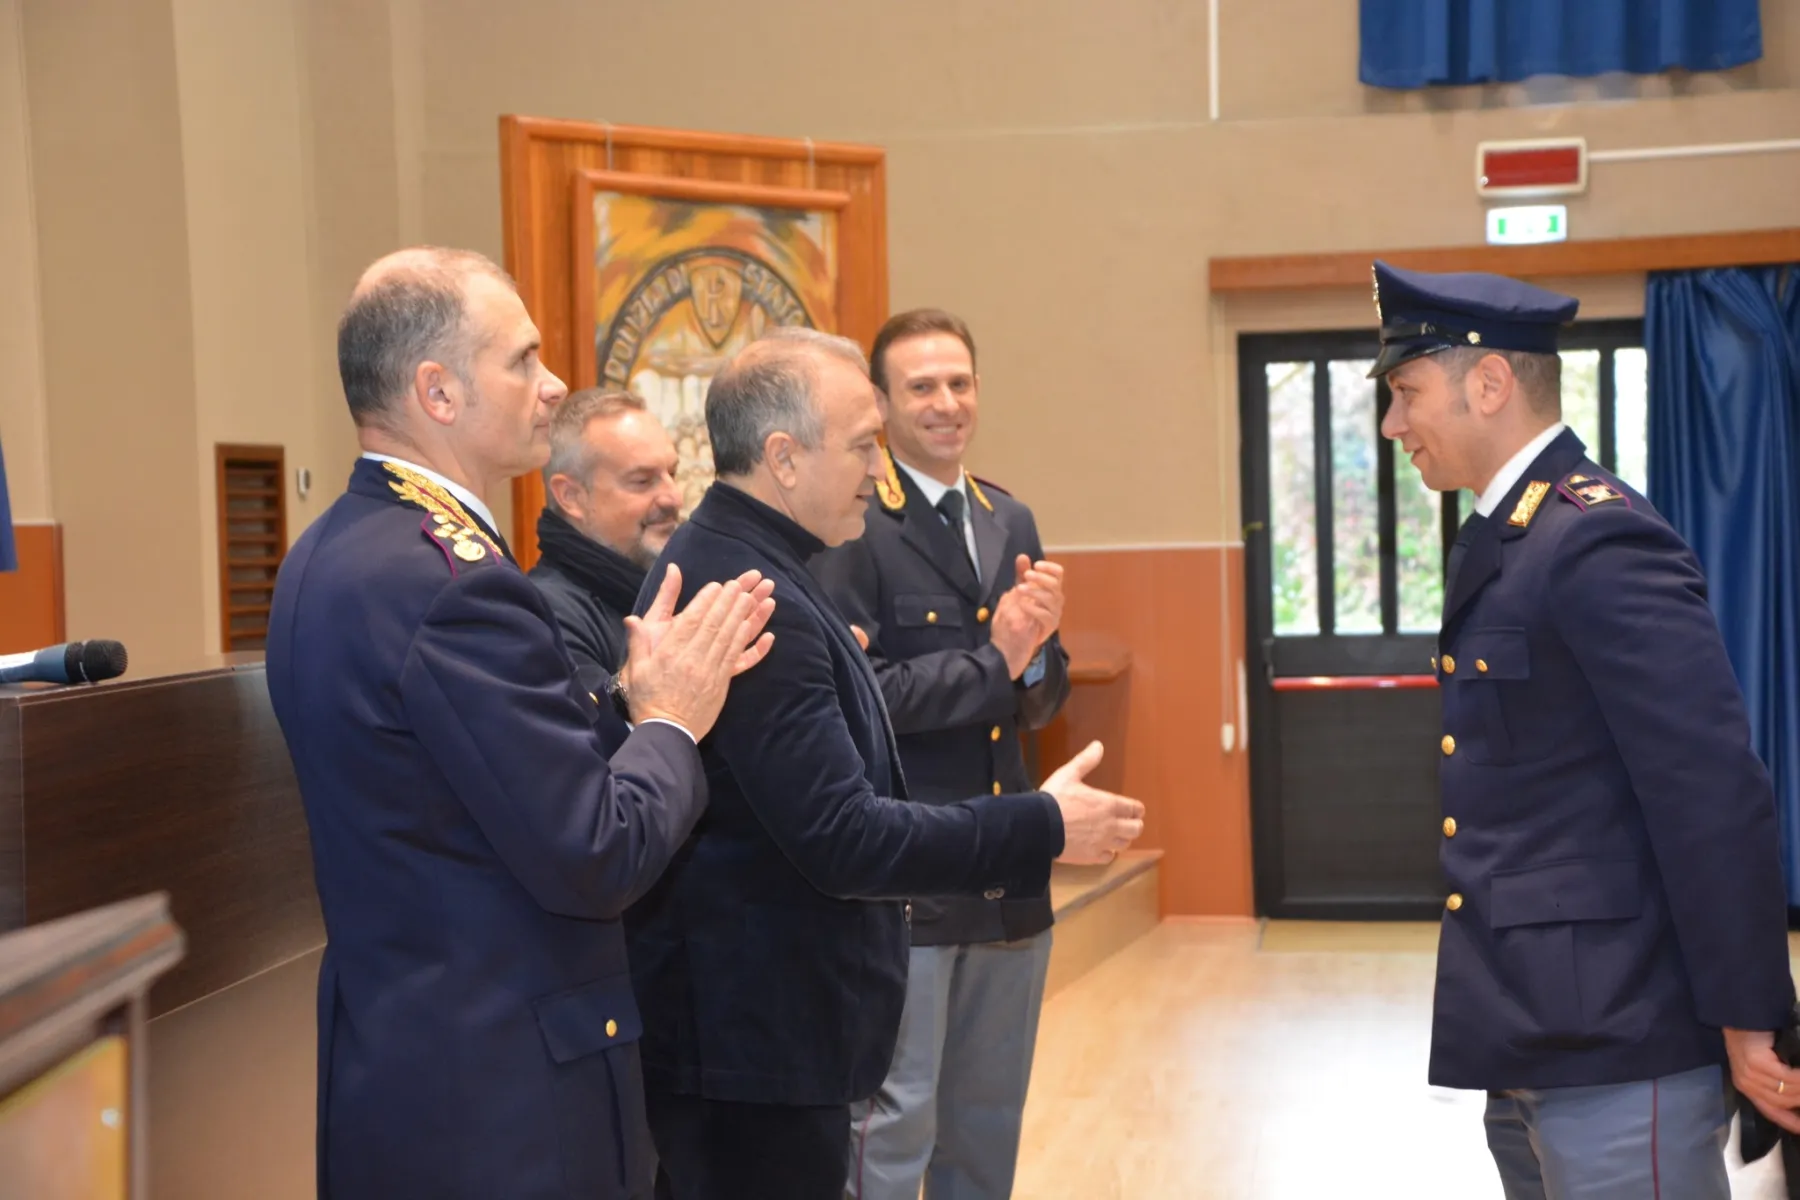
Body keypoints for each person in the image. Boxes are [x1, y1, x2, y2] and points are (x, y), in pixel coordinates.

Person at [265, 246, 776, 1200]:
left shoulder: (336, 547)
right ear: (438, 392)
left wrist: (628, 699)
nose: (553, 386)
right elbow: (597, 853)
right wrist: (673, 722)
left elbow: (467, 782)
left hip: (410, 1058)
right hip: (506, 1094)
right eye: (523, 359)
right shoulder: (452, 582)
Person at [625, 326, 1145, 1200]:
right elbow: (844, 837)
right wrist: (1044, 824)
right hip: (754, 1044)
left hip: (761, 1030)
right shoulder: (751, 595)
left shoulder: (762, 560)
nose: (878, 468)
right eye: (863, 445)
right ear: (784, 458)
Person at [1371, 258, 1800, 1198]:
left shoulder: (1595, 537)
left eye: (1407, 392)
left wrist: (1749, 1012)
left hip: (1622, 1035)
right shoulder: (1509, 536)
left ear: (1489, 383)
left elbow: (1709, 788)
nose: (1393, 424)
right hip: (1533, 1027)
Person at [810, 309, 1068, 1200]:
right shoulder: (855, 522)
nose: (946, 403)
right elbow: (860, 697)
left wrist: (1033, 659)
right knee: (895, 1122)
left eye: (960, 383)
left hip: (1006, 870)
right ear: (881, 404)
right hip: (909, 872)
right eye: (921, 386)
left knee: (987, 1123)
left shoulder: (1008, 516)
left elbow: (1041, 697)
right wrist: (998, 660)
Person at [530, 388, 685, 685]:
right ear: (571, 496)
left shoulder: (676, 585)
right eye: (642, 481)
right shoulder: (543, 618)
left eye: (673, 474)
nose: (673, 498)